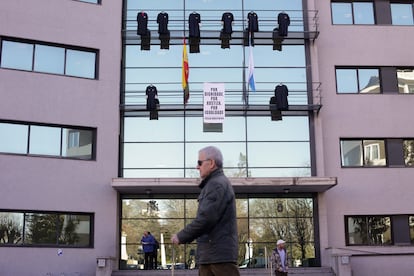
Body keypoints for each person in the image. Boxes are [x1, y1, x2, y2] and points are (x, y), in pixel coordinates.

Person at [171, 146, 240, 276]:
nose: (197, 167)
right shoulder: (214, 184)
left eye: (200, 163)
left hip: (218, 259)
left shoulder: (216, 184)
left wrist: (181, 236)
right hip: (212, 256)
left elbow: (206, 219)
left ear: (212, 163)